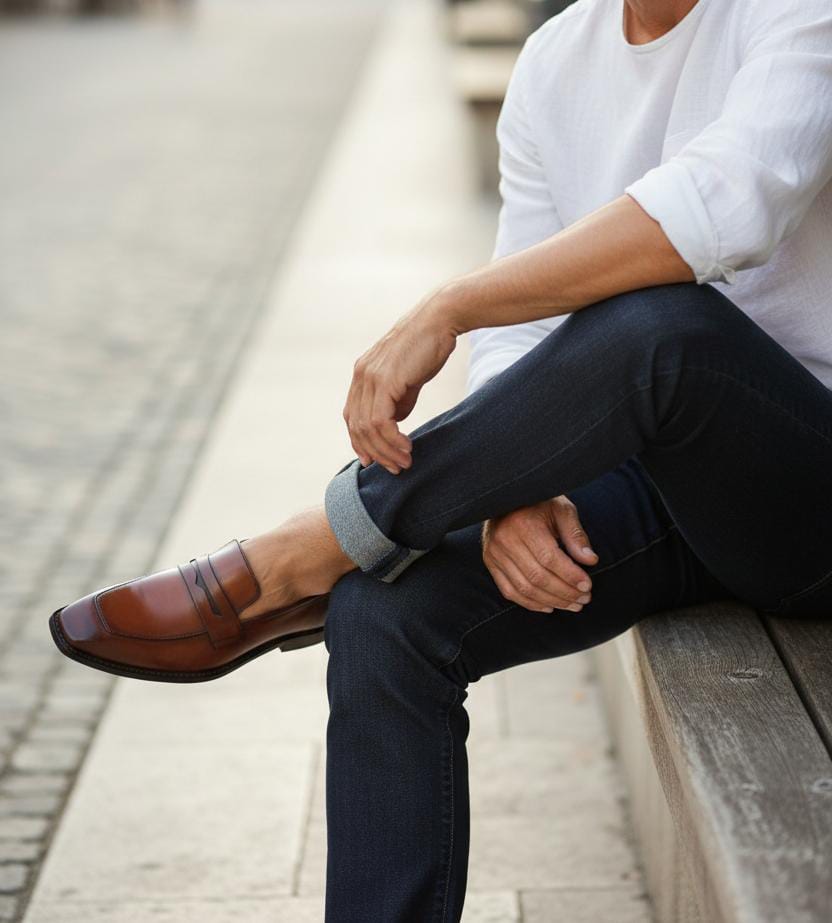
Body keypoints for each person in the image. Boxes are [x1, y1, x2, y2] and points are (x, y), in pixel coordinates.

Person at [50, 0, 832, 919]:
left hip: (804, 488)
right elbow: (528, 336)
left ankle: (301, 551)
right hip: (662, 489)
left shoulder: (796, 14)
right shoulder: (555, 59)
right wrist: (518, 481)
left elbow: (722, 208)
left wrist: (451, 304)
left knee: (662, 325)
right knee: (381, 609)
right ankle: (336, 562)